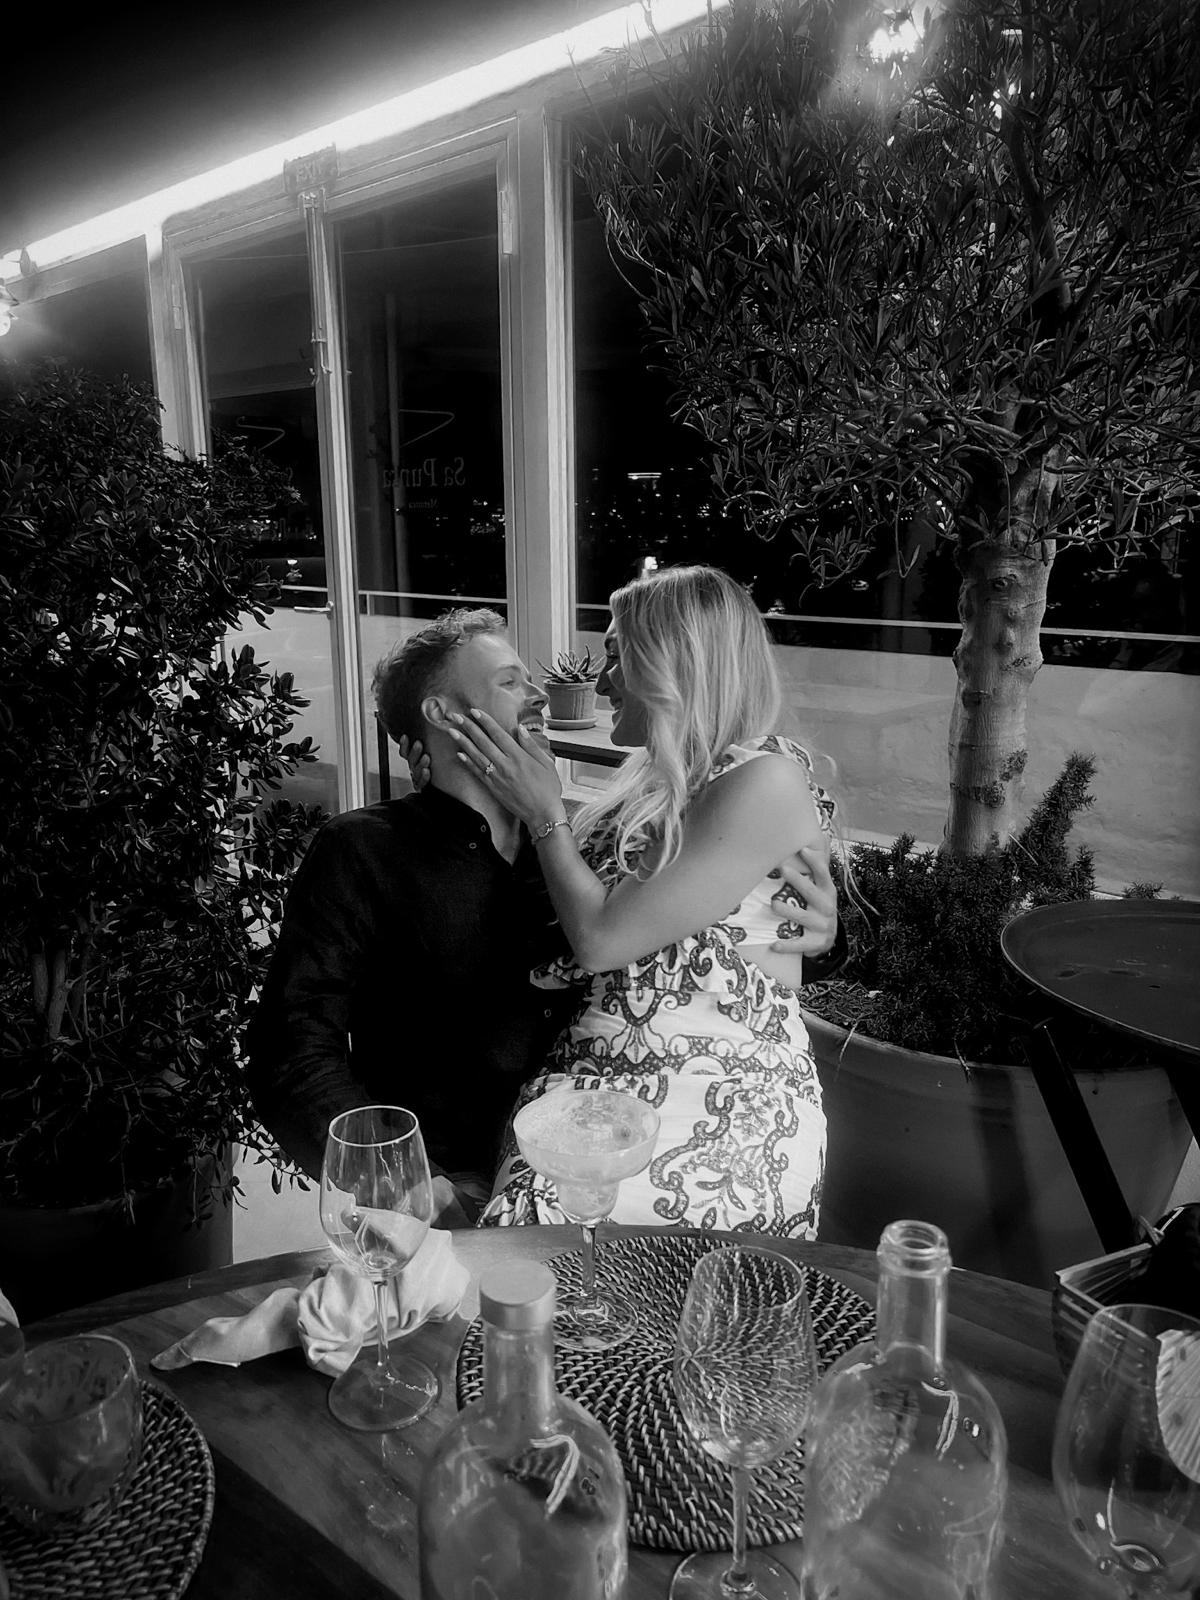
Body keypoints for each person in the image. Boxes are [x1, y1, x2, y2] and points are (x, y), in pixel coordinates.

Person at [246, 604, 838, 1227]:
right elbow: (291, 1050)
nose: (538, 695)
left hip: (613, 1147)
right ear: (442, 714)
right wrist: (404, 1183)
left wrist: (820, 935)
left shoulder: (582, 847)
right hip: (451, 1174)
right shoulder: (363, 849)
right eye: (509, 682)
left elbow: (700, 938)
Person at [446, 566, 837, 1239]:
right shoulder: (638, 791)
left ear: (676, 661)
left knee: (643, 1260)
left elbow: (600, 938)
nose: (598, 681)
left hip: (723, 1088)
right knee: (527, 1245)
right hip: (591, 1079)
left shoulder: (766, 774)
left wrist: (544, 814)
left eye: (617, 654)